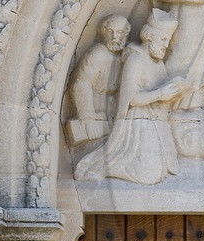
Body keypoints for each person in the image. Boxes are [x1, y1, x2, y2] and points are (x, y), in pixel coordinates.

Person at [74, 11, 187, 185]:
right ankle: (101, 167)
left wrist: (173, 91)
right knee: (149, 176)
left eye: (168, 40)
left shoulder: (158, 63)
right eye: (163, 39)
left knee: (162, 171)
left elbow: (160, 99)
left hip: (157, 125)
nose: (167, 45)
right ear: (149, 36)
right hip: (135, 127)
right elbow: (131, 98)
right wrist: (160, 93)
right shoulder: (135, 60)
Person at [65, 13, 131, 145]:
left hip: (115, 108)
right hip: (96, 105)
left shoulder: (128, 54)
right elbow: (81, 83)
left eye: (119, 32)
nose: (114, 36)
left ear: (125, 33)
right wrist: (88, 116)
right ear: (104, 32)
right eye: (110, 31)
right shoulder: (97, 53)